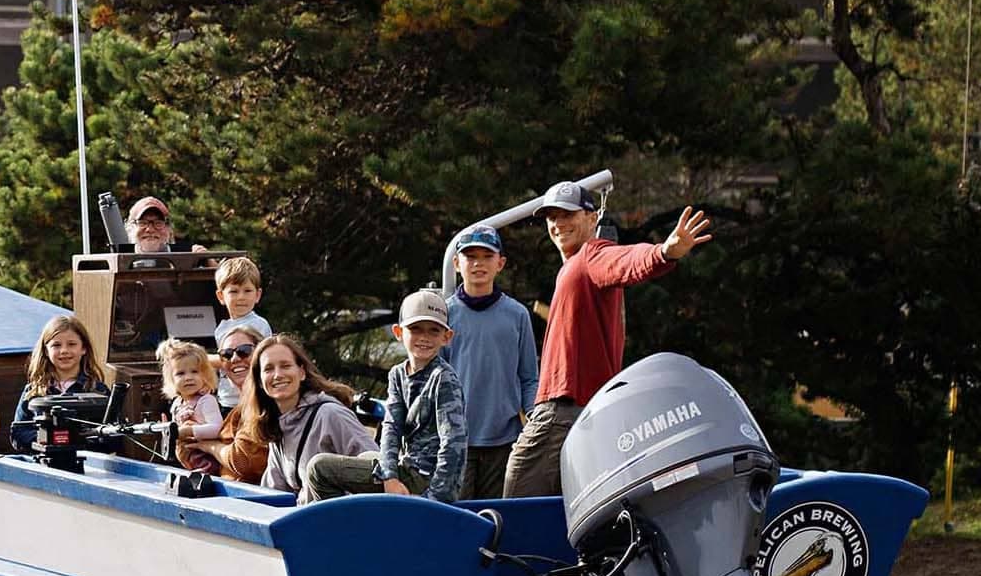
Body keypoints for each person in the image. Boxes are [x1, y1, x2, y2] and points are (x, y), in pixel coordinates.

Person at [502, 182, 713, 498]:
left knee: (513, 509)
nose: (558, 224)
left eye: (567, 214)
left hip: (563, 410)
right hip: (585, 413)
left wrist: (663, 252)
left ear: (592, 217)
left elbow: (626, 261)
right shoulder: (573, 269)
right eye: (552, 217)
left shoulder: (592, 256)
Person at [306, 290, 468, 504]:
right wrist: (389, 476)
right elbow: (391, 427)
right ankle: (364, 523)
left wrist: (434, 501)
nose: (424, 337)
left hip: (427, 479)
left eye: (434, 331)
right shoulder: (397, 373)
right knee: (367, 458)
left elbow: (454, 444)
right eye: (415, 329)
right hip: (407, 467)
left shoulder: (443, 378)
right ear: (399, 332)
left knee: (319, 469)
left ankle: (343, 532)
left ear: (446, 337)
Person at [443, 225, 538, 499]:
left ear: (500, 263)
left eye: (486, 256)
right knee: (458, 518)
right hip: (456, 441)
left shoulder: (517, 315)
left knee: (497, 518)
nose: (478, 263)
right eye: (470, 256)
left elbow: (529, 377)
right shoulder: (444, 315)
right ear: (457, 264)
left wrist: (534, 419)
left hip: (505, 441)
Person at [238, 333, 377, 503]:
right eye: (268, 369)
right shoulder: (277, 426)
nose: (277, 375)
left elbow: (377, 472)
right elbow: (273, 494)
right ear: (259, 381)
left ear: (302, 372)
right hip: (303, 523)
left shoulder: (331, 415)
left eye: (285, 366)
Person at [178, 322, 269, 483]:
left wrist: (209, 446)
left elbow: (243, 461)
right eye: (226, 354)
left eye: (244, 351)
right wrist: (182, 437)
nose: (234, 359)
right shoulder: (236, 412)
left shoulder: (266, 402)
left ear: (261, 355)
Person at [212, 256, 273, 411]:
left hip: (253, 397)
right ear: (221, 296)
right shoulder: (221, 329)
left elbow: (253, 359)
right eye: (233, 291)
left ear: (257, 295)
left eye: (247, 291)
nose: (241, 297)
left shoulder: (258, 324)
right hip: (226, 399)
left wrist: (201, 359)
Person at [158, 338, 223, 473]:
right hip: (187, 459)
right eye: (180, 373)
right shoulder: (177, 403)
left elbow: (217, 428)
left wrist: (188, 431)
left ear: (205, 375)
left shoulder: (206, 401)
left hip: (208, 461)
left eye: (195, 371)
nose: (188, 377)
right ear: (171, 379)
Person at [20, 315, 110, 402]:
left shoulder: (99, 390)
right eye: (56, 345)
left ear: (84, 348)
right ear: (46, 351)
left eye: (71, 344)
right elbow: (21, 418)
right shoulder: (34, 391)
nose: (64, 351)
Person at [127, 196, 207, 255]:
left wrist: (206, 259)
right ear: (131, 227)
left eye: (158, 223)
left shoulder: (187, 254)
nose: (150, 229)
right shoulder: (119, 256)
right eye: (143, 223)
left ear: (168, 228)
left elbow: (217, 275)